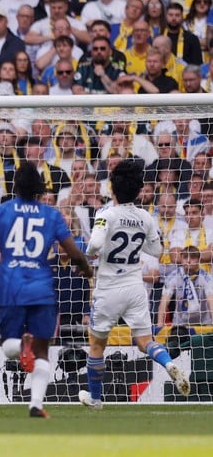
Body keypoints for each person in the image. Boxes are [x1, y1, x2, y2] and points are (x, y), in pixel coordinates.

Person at [0, 162, 91, 418]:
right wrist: (86, 269)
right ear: (40, 189)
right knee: (43, 349)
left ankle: (22, 348)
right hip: (42, 286)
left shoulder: (1, 211)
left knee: (9, 345)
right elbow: (73, 250)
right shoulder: (52, 215)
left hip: (11, 285)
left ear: (14, 186)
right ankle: (35, 404)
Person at [79, 159, 190, 410]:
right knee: (145, 341)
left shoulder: (105, 214)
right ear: (139, 190)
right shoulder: (145, 217)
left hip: (108, 289)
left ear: (112, 188)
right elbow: (157, 250)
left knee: (97, 344)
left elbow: (95, 245)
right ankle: (168, 363)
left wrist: (89, 255)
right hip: (135, 287)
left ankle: (95, 399)